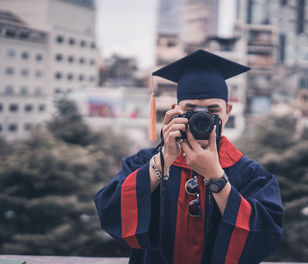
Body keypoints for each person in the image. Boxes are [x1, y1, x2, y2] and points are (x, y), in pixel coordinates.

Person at [94, 49, 283, 264]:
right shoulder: (144, 162)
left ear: (228, 112)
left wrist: (216, 178)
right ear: (175, 110)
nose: (202, 118)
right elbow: (111, 212)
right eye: (190, 109)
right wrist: (163, 160)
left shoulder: (249, 173)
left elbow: (265, 237)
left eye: (213, 110)